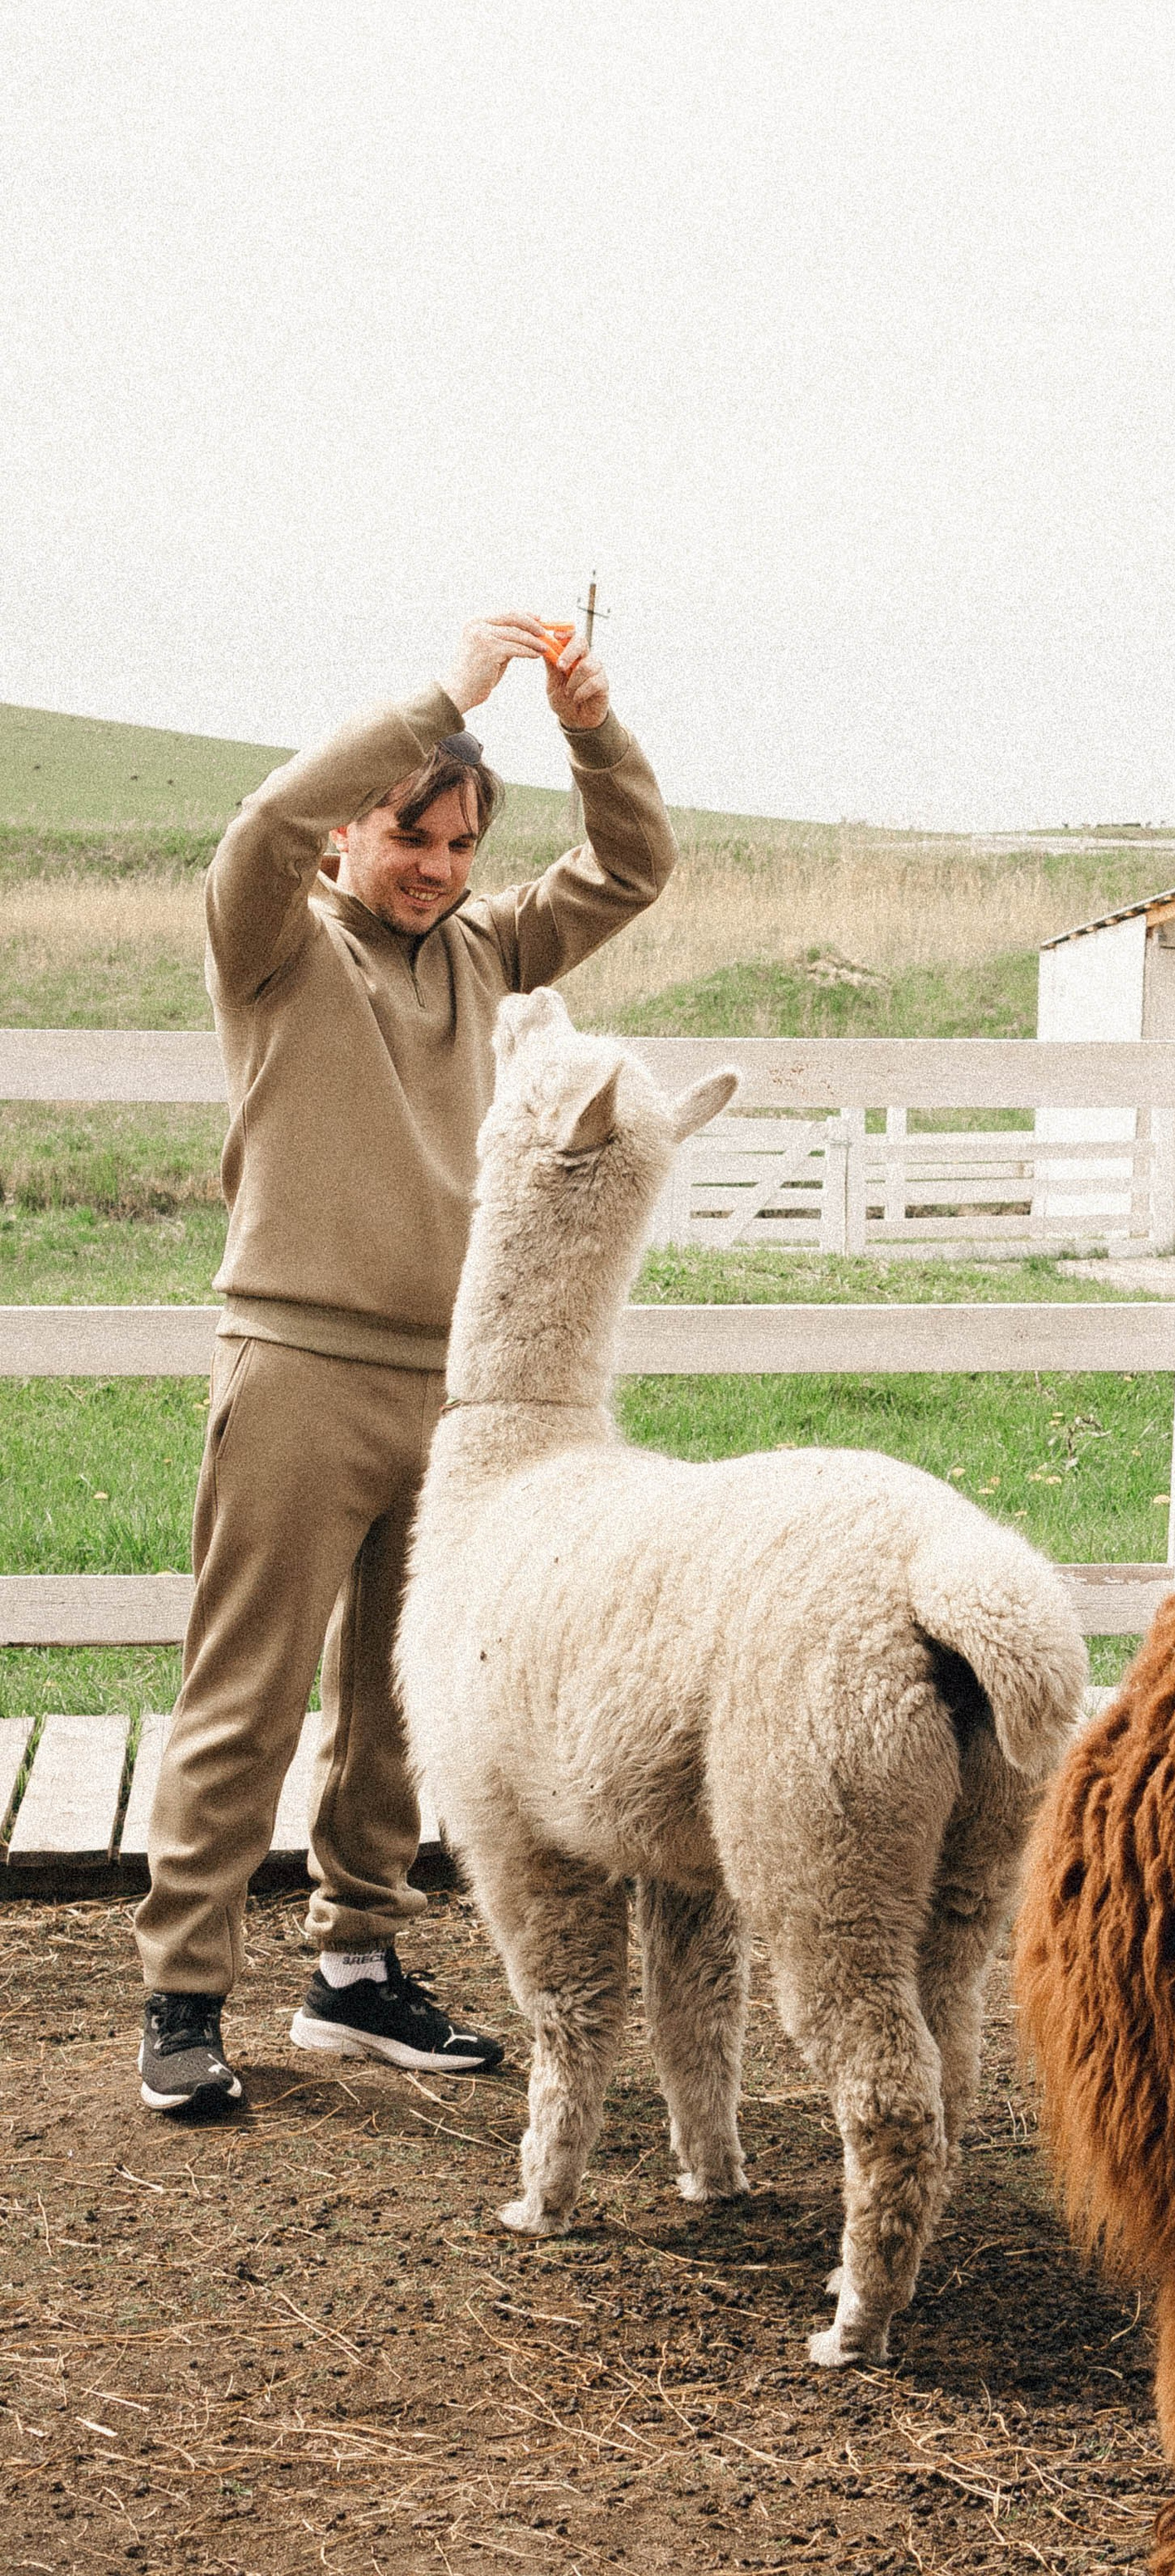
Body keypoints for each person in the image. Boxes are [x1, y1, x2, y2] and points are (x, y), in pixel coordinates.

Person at [134, 615, 677, 2115]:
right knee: (244, 1689)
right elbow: (256, 823)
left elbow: (630, 867)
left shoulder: (493, 957)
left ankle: (354, 1975)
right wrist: (445, 697)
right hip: (299, 1367)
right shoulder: (274, 947)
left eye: (456, 841)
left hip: (457, 1392)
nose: (433, 863)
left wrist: (587, 724)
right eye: (405, 833)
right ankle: (183, 1993)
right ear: (344, 839)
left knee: (402, 1702)